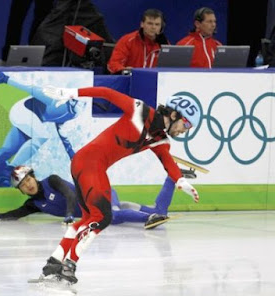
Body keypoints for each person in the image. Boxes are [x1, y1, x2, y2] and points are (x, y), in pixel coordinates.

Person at [38, 86, 201, 284]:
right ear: (174, 113)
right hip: (90, 163)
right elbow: (107, 93)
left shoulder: (160, 139)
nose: (184, 131)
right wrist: (73, 93)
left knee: (89, 217)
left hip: (91, 165)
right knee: (103, 217)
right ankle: (69, 264)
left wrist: (181, 181)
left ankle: (54, 262)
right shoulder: (141, 110)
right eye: (185, 125)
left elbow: (168, 161)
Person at [0, 71, 86, 188]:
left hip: (29, 120)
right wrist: (7, 80)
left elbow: (63, 136)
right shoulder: (55, 98)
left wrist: (73, 157)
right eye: (80, 102)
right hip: (23, 112)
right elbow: (31, 89)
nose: (81, 105)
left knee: (5, 152)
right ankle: (9, 171)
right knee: (41, 137)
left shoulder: (70, 114)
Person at [0, 165, 188, 227]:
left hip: (98, 193)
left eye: (28, 180)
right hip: (98, 205)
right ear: (22, 191)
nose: (28, 185)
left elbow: (70, 194)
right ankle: (172, 177)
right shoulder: (35, 203)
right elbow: (17, 213)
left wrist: (69, 215)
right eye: (24, 186)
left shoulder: (51, 180)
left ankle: (148, 219)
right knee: (158, 211)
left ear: (34, 177)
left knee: (112, 217)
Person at [107, 8, 169, 74]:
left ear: (161, 27)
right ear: (142, 24)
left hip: (154, 81)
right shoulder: (128, 40)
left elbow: (170, 68)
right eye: (150, 23)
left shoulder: (165, 45)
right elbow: (113, 64)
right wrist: (124, 70)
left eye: (157, 24)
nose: (153, 27)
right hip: (130, 80)